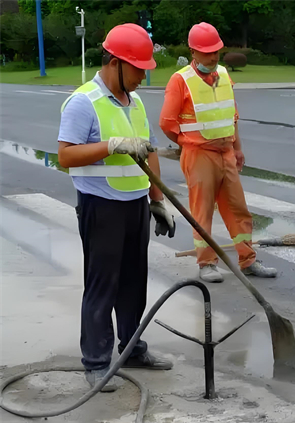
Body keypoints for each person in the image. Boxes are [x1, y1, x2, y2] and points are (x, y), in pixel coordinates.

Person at [58, 24, 176, 392]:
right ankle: (95, 362)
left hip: (134, 205)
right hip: (100, 206)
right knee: (101, 285)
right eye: (138, 69)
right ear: (113, 63)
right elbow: (65, 156)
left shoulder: (136, 102)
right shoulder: (83, 102)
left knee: (133, 283)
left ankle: (131, 348)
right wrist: (110, 145)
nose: (144, 76)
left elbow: (149, 151)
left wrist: (157, 201)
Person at [159, 22, 276, 283]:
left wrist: (237, 147)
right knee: (202, 211)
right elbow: (167, 122)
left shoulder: (223, 74)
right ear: (193, 52)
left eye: (216, 51)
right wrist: (186, 142)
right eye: (207, 52)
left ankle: (249, 260)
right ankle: (207, 263)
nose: (213, 57)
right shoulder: (180, 80)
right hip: (199, 154)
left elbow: (231, 114)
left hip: (225, 152)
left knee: (238, 209)